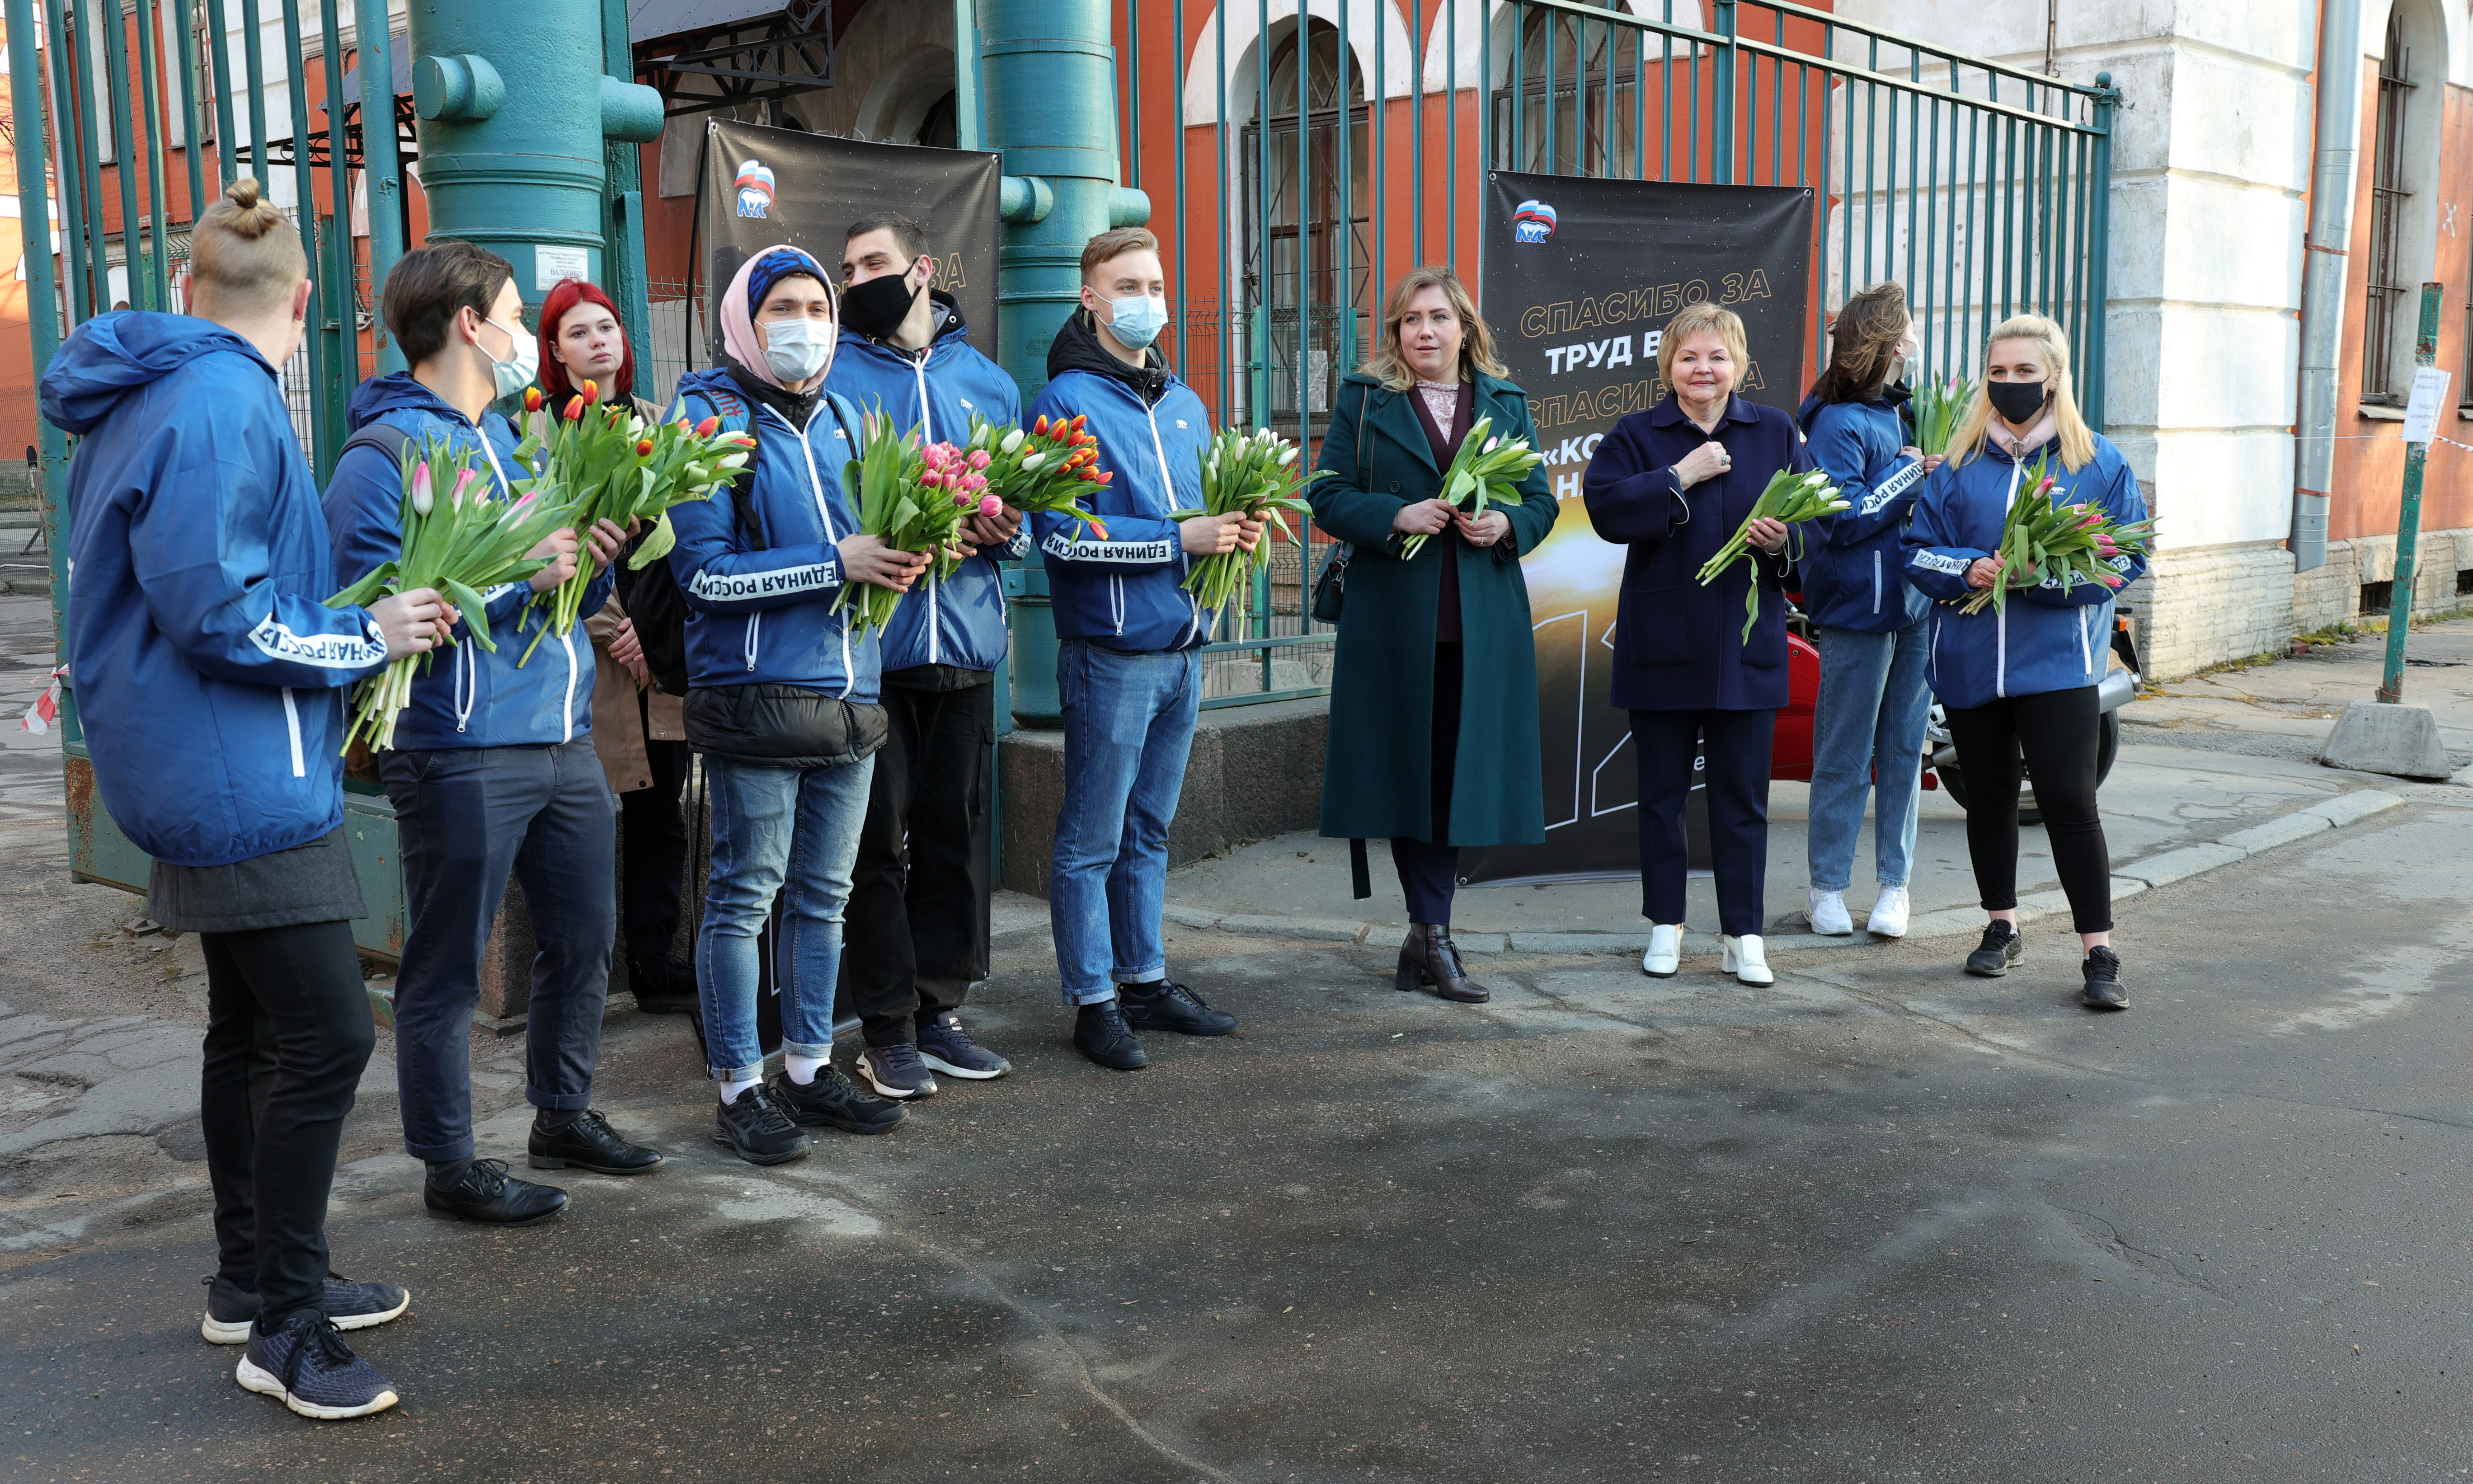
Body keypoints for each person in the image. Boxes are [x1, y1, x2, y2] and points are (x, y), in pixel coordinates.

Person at [42, 177, 444, 1418]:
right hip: (240, 774)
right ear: (307, 299)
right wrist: (366, 634)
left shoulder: (170, 390)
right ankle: (286, 1320)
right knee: (328, 1036)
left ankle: (253, 1276)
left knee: (255, 1032)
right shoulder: (222, 398)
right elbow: (222, 609)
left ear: (187, 289)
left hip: (203, 759)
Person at [326, 242, 662, 1227]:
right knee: (447, 962)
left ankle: (562, 1112)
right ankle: (449, 1162)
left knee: (583, 939)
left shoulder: (517, 442)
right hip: (459, 744)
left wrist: (596, 564)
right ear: (471, 325)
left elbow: (564, 600)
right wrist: (526, 576)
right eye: (514, 315)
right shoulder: (380, 457)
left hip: (563, 740)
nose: (525, 335)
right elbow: (375, 612)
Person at [666, 244, 927, 1162]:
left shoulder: (848, 416)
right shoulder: (707, 417)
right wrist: (836, 564)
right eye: (784, 304)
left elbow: (869, 542)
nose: (806, 322)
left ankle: (810, 1069)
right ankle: (740, 1085)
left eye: (819, 305)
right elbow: (702, 577)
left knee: (825, 895)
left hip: (850, 697)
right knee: (744, 896)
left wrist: (903, 551)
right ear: (745, 316)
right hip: (756, 699)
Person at [1030, 226, 1261, 1070]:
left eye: (1157, 285)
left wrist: (1234, 527)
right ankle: (1092, 1001)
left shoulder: (1187, 402)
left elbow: (1201, 511)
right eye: (1128, 285)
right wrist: (1180, 538)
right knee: (1091, 838)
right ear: (1089, 298)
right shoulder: (1062, 402)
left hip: (1182, 651)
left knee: (1151, 830)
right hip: (1111, 654)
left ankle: (1145, 979)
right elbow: (1059, 536)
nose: (1148, 302)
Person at [1308, 266, 1555, 1005]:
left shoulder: (1505, 402)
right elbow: (1324, 492)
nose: (1425, 332)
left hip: (1481, 623)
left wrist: (1509, 522)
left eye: (1439, 318)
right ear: (1396, 335)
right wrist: (1393, 515)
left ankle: (1427, 932)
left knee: (1457, 777)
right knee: (1409, 775)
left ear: (1465, 328)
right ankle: (1433, 932)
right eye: (1411, 320)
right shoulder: (1366, 399)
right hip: (1394, 622)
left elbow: (1540, 500)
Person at [827, 211, 1025, 1098]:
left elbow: (1029, 523)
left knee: (956, 837)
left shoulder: (987, 382)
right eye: (846, 266)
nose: (855, 275)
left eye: (873, 261)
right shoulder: (834, 379)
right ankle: (885, 1026)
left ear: (924, 269)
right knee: (879, 848)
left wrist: (1002, 531)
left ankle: (939, 1006)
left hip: (969, 643)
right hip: (877, 649)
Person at [1904, 313, 2148, 1010]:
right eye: (1999, 372)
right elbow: (1917, 550)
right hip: (1973, 662)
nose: (2011, 384)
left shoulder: (2096, 461)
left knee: (2071, 802)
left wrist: (2051, 580)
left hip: (2059, 665)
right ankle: (1999, 925)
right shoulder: (1957, 465)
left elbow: (2126, 555)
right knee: (1989, 798)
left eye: (2025, 373)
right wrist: (1967, 567)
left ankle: (2098, 951)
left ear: (2054, 378)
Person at [1581, 302, 1813, 988]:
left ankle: (1744, 934)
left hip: (1747, 647)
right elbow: (1605, 510)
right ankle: (1666, 924)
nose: (1703, 369)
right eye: (1689, 357)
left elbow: (1816, 524)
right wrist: (1682, 474)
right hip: (1664, 642)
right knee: (1661, 795)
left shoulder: (1774, 432)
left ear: (1738, 364)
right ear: (1668, 368)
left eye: (1716, 357)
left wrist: (1787, 542)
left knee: (1742, 799)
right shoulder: (1637, 434)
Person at [530, 278, 697, 1016]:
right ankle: (581, 976)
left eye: (607, 327)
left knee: (666, 810)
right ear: (556, 354)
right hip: (586, 652)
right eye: (579, 332)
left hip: (659, 647)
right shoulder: (541, 435)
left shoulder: (661, 425)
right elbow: (544, 550)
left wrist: (654, 632)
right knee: (588, 815)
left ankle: (655, 962)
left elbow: (686, 544)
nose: (599, 340)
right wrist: (611, 628)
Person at [1796, 282, 1940, 940]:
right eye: (1906, 331)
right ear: (1887, 342)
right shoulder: (1835, 421)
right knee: (1845, 753)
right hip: (1858, 609)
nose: (1914, 341)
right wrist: (1911, 474)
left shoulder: (1895, 413)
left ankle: (1894, 886)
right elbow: (1842, 518)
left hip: (1912, 603)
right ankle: (1827, 888)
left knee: (1906, 749)